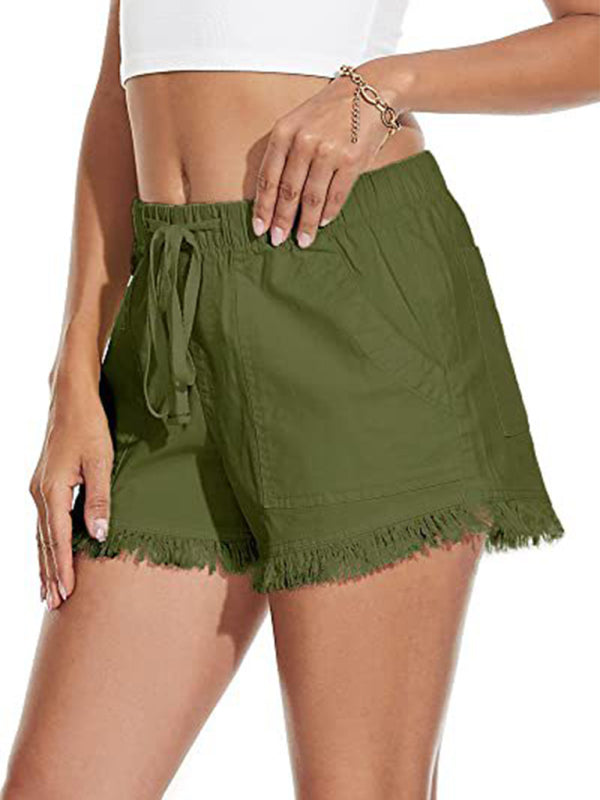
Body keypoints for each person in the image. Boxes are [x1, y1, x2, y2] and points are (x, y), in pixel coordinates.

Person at [3, 0, 597, 797]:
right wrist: (74, 372)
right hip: (169, 342)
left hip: (350, 305)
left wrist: (391, 84)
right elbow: (122, 82)